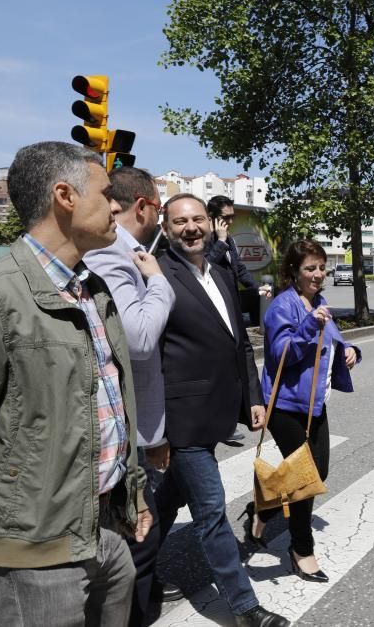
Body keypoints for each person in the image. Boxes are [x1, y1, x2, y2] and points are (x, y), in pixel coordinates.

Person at [0, 142, 151, 626]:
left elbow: (111, 405)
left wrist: (133, 494)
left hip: (105, 532)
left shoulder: (92, 290)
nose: (117, 207)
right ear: (65, 196)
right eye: (105, 194)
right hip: (31, 553)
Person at [154, 194, 287, 627]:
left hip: (217, 411)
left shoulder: (223, 271)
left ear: (209, 223)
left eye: (197, 219)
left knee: (164, 504)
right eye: (180, 222)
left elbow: (239, 343)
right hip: (182, 418)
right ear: (166, 226)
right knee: (211, 511)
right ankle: (246, 609)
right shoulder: (158, 274)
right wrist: (156, 429)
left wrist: (251, 395)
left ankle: (132, 567)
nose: (190, 228)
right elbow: (149, 353)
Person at [83, 166, 181, 623]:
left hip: (137, 425)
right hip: (121, 430)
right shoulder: (114, 256)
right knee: (137, 541)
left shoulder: (132, 252)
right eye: (161, 209)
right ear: (143, 205)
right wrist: (158, 280)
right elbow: (139, 340)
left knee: (143, 533)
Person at [245, 238, 360, 584]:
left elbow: (334, 341)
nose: (318, 274)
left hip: (314, 405)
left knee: (317, 471)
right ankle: (301, 550)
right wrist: (310, 324)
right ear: (294, 271)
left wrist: (351, 349)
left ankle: (263, 507)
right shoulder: (283, 306)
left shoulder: (319, 300)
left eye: (322, 267)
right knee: (307, 479)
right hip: (284, 406)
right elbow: (280, 355)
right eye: (310, 268)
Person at [205, 195, 270, 444]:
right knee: (223, 366)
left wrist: (256, 289)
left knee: (242, 361)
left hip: (232, 307)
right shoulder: (206, 240)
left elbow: (239, 269)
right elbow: (206, 267)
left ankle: (238, 414)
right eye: (226, 218)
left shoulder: (228, 239)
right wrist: (220, 242)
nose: (230, 222)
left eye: (232, 217)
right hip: (214, 311)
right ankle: (223, 422)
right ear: (213, 217)